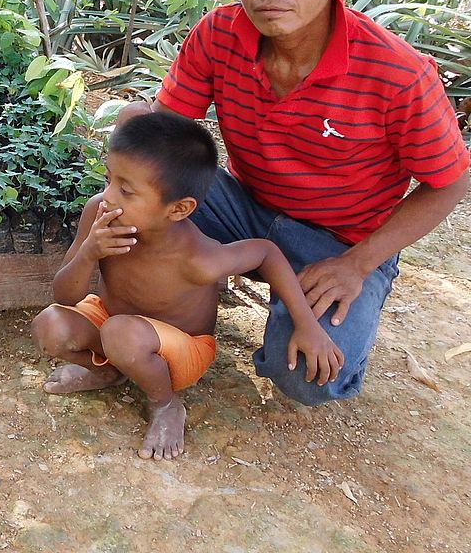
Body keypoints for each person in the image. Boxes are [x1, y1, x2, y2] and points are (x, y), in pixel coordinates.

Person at [129, 0, 469, 406]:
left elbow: (449, 184)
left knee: (308, 376)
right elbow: (167, 136)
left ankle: (315, 302)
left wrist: (358, 263)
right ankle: (182, 311)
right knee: (133, 210)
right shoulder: (218, 36)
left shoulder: (396, 72)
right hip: (244, 207)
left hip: (342, 242)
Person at [32, 113, 340, 460]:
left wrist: (307, 325)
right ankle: (110, 372)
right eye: (109, 179)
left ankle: (165, 404)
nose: (108, 196)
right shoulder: (98, 216)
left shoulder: (197, 258)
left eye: (126, 191)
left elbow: (266, 252)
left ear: (178, 209)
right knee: (51, 324)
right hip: (115, 324)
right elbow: (65, 297)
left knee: (123, 333)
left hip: (178, 351)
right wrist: (89, 252)